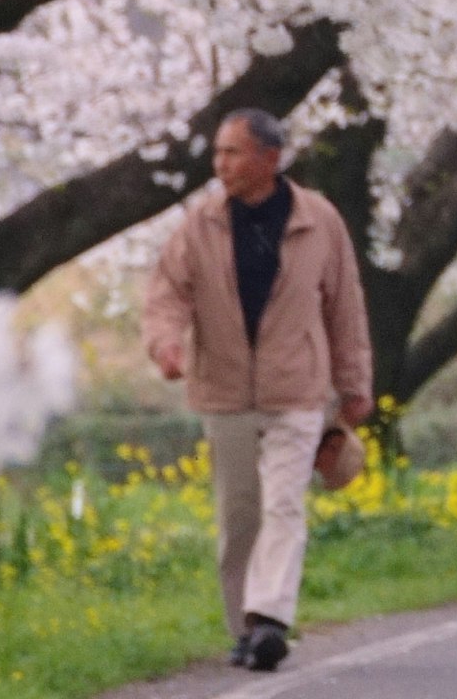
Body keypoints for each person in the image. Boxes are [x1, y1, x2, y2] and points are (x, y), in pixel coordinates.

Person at [144, 109, 373, 674]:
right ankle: (244, 628)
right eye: (218, 153)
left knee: (283, 504)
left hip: (297, 390)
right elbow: (166, 295)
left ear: (270, 159)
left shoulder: (320, 221)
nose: (219, 164)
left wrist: (355, 384)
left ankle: (270, 619)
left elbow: (345, 305)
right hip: (223, 393)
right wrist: (166, 345)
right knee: (239, 516)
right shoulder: (200, 224)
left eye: (232, 153)